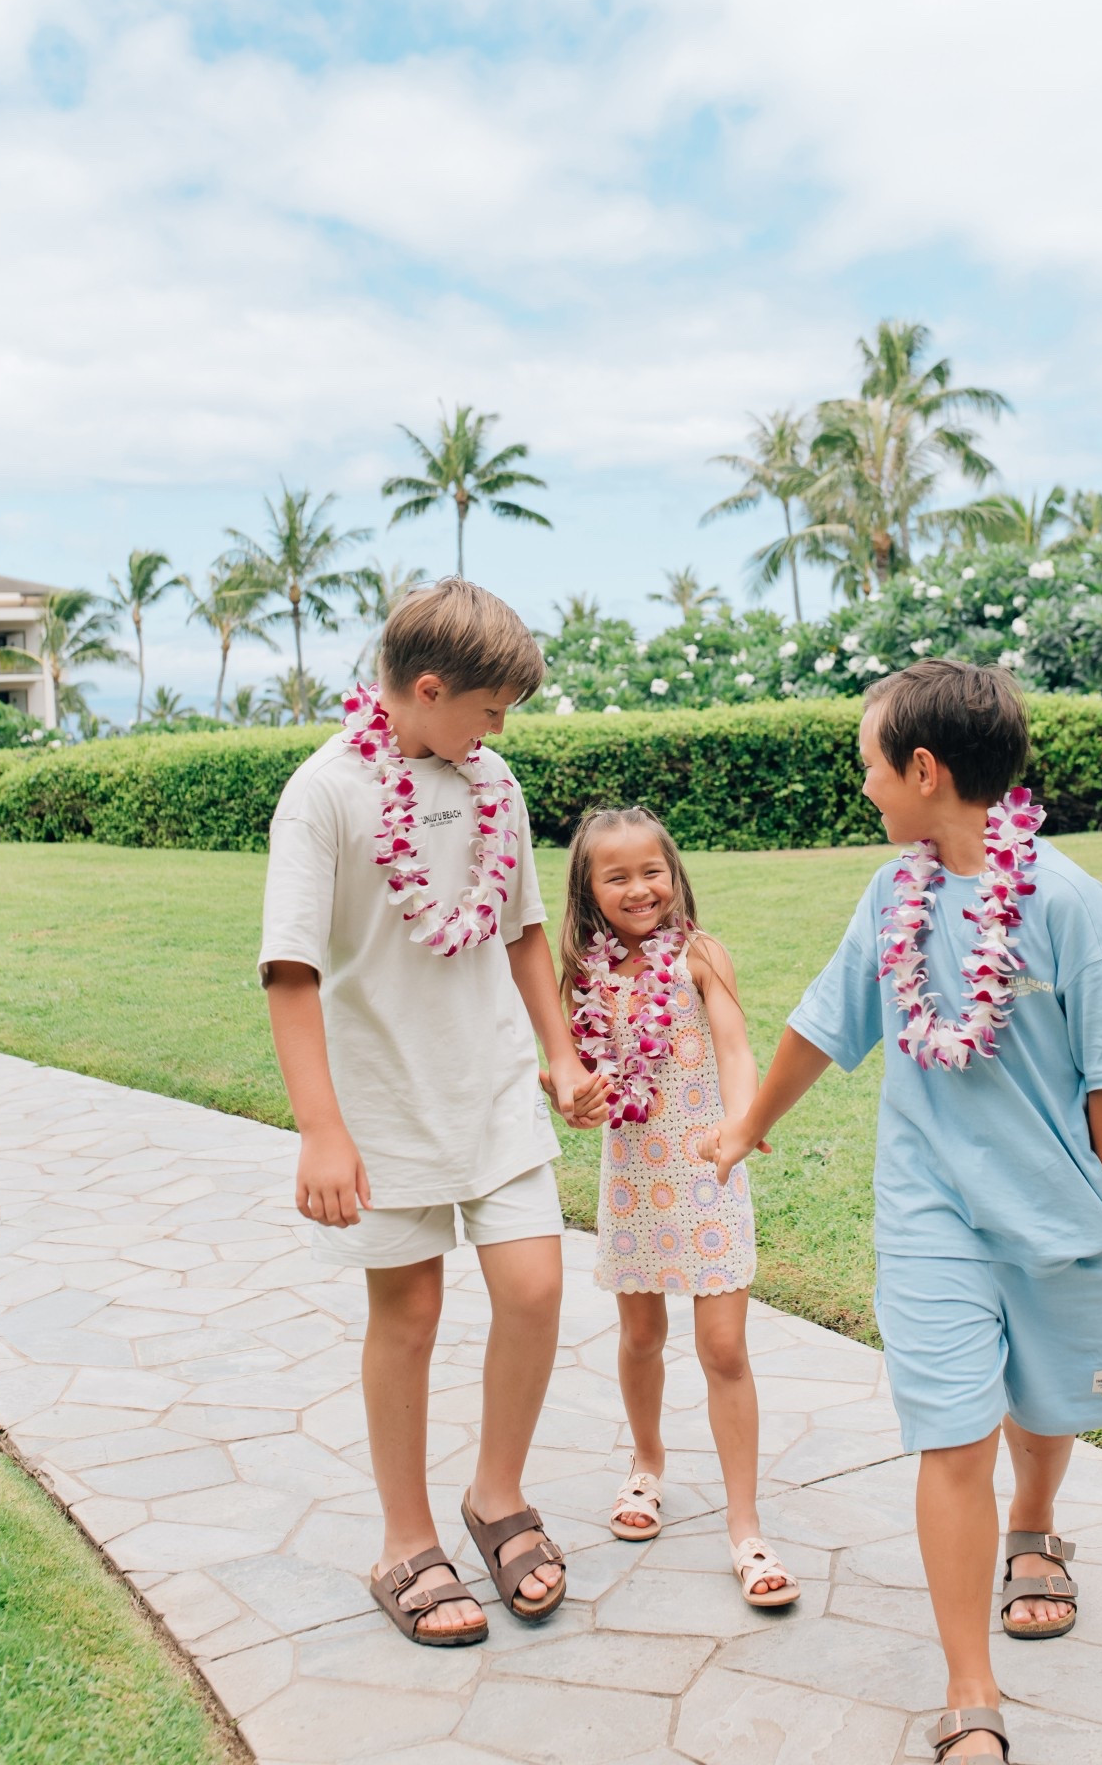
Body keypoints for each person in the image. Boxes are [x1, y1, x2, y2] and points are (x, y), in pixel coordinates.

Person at [702, 659, 1102, 1762]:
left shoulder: (1065, 900)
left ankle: (1033, 1525)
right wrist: (747, 1118)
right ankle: (969, 1690)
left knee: (1043, 1408)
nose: (864, 788)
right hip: (928, 1209)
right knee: (952, 1430)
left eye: (869, 766)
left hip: (1054, 1213)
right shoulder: (887, 895)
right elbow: (823, 1017)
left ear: (922, 768)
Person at [259, 578, 601, 1648]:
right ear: (425, 687)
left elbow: (523, 927)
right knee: (404, 1317)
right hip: (380, 1101)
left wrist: (557, 1048)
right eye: (490, 708)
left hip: (490, 1081)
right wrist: (321, 1126)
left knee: (535, 1285)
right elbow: (290, 970)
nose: (500, 730)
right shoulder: (323, 793)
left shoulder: (492, 782)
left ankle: (495, 1493)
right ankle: (405, 1537)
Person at [560, 804, 799, 1609]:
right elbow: (568, 1068)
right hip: (631, 1178)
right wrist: (571, 1097)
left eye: (651, 870)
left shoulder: (700, 955)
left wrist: (739, 1126)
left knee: (723, 1346)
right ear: (589, 890)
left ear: (675, 872)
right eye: (617, 876)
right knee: (639, 1334)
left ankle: (744, 1520)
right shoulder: (583, 972)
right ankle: (647, 1464)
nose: (639, 888)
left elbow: (733, 1047)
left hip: (706, 1171)